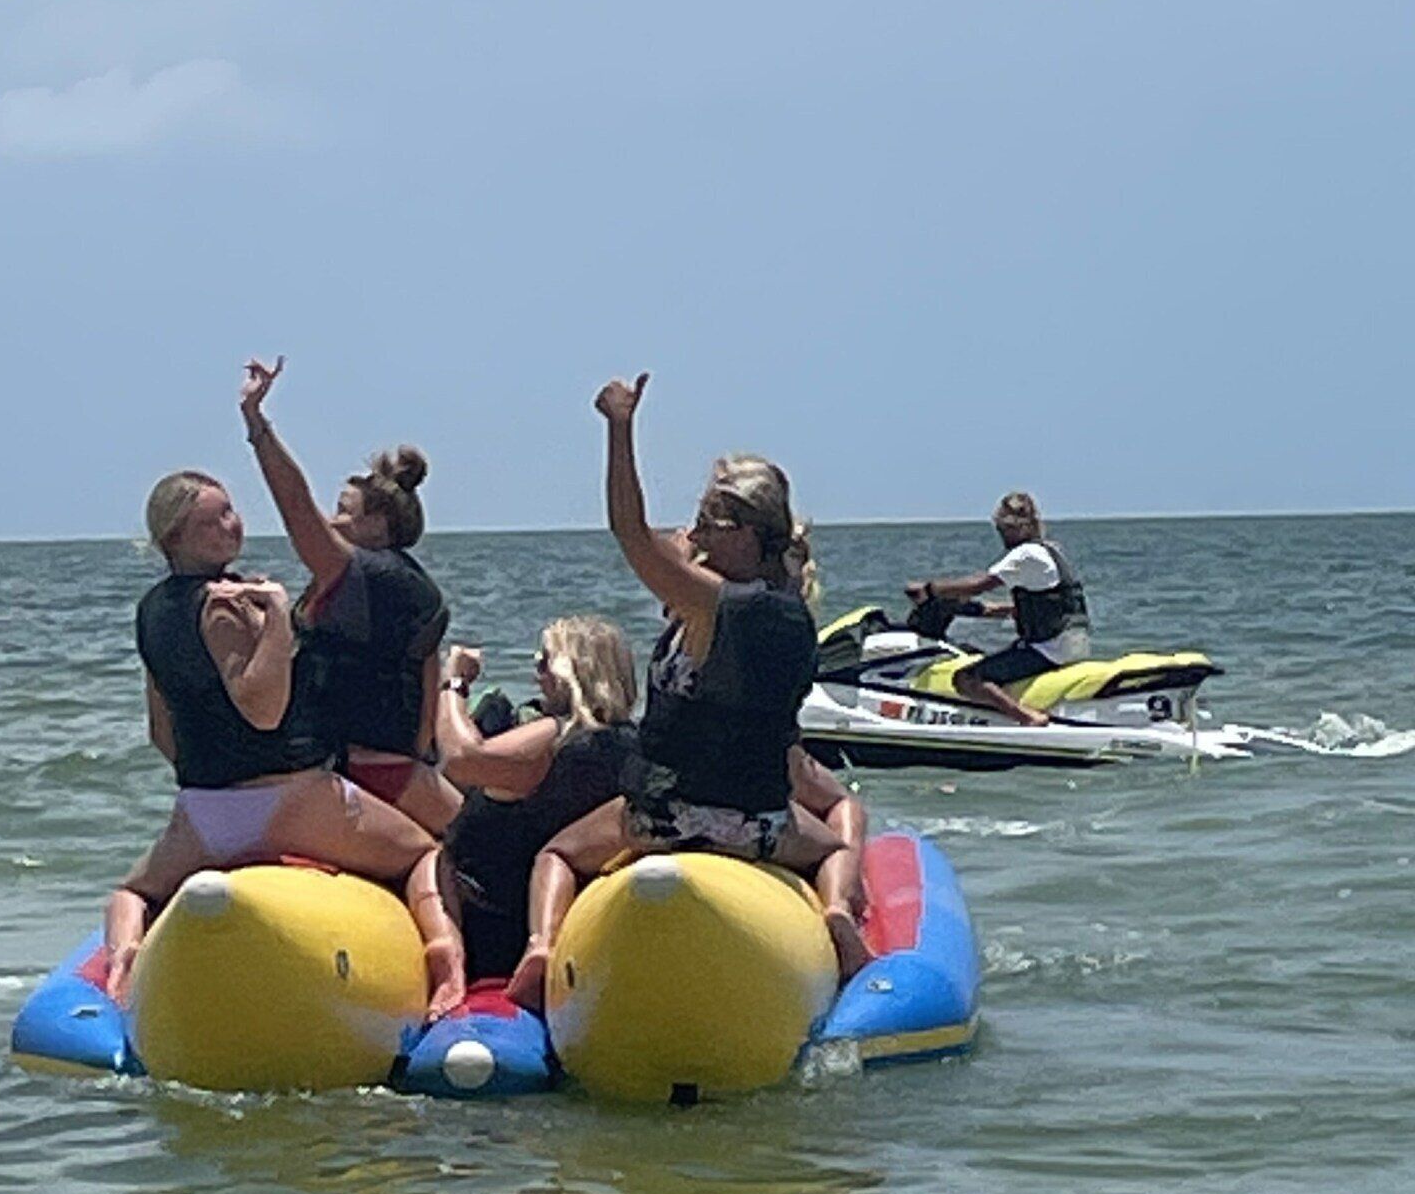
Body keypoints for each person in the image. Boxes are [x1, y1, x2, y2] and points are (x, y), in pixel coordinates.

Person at [513, 375, 870, 998]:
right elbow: (655, 544)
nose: (697, 535)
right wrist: (686, 545)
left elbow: (631, 534)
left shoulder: (719, 609)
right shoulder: (783, 611)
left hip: (662, 818)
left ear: (751, 536)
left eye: (712, 523)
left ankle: (542, 949)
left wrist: (620, 430)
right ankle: (836, 911)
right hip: (757, 823)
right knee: (837, 847)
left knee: (558, 856)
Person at [101, 468, 465, 1019]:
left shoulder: (151, 611)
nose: (233, 522)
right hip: (294, 799)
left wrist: (219, 776)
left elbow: (161, 732)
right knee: (424, 854)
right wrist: (275, 615)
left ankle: (126, 958)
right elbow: (264, 710)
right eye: (215, 518)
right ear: (176, 534)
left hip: (205, 810)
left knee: (133, 892)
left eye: (231, 511)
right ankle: (446, 957)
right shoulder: (227, 604)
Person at [238, 358, 460, 834]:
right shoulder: (359, 585)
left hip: (374, 771)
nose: (330, 521)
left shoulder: (382, 578)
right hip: (337, 763)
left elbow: (296, 508)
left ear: (378, 526)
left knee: (477, 843)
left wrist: (257, 424)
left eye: (342, 512)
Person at [434, 617, 639, 985]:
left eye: (543, 660)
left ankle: (445, 966)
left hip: (488, 925)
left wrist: (455, 683)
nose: (535, 670)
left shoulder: (550, 739)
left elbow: (462, 757)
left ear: (570, 672)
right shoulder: (629, 747)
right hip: (560, 915)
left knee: (424, 852)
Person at [905, 492, 1090, 728]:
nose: (1002, 536)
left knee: (967, 677)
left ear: (1021, 528)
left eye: (1005, 529)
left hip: (1049, 648)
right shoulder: (1052, 550)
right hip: (1075, 643)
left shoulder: (1026, 554)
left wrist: (931, 589)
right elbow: (1047, 602)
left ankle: (1027, 717)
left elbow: (980, 585)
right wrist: (1003, 611)